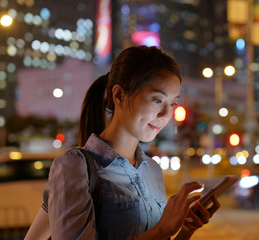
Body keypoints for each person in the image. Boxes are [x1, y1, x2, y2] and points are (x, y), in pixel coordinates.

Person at [43, 45, 220, 239]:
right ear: (119, 95)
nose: (165, 115)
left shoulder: (152, 169)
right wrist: (162, 229)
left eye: (173, 103)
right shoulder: (74, 166)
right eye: (157, 100)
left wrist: (185, 229)